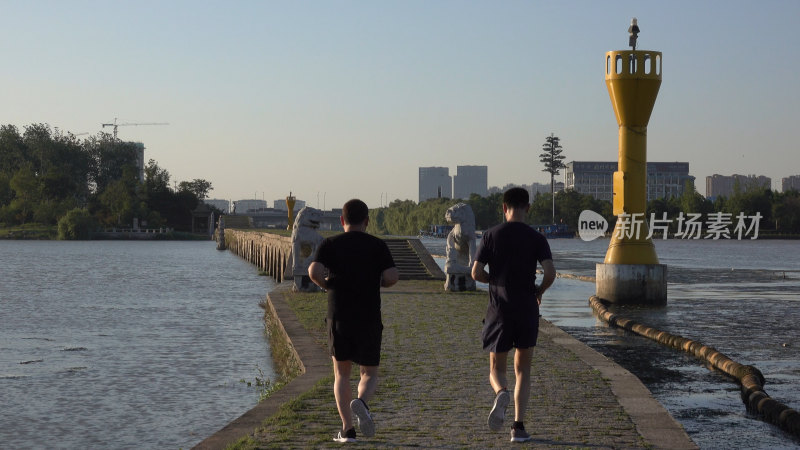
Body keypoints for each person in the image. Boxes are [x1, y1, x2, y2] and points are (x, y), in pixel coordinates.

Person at [308, 199, 400, 443]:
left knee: (341, 374)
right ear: (367, 221)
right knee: (369, 371)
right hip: (369, 315)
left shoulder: (330, 244)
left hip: (339, 314)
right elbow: (392, 276)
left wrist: (327, 285)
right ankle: (361, 402)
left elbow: (313, 272)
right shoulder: (377, 245)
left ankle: (348, 430)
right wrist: (378, 282)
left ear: (342, 220)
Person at [471, 187, 556, 443]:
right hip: (527, 309)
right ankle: (518, 428)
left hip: (499, 310)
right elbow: (550, 272)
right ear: (527, 208)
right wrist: (539, 291)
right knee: (524, 370)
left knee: (497, 368)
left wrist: (493, 280)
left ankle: (500, 392)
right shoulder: (537, 238)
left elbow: (475, 272)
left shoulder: (490, 235)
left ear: (503, 207)